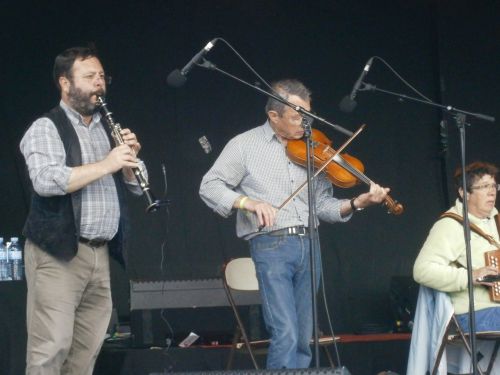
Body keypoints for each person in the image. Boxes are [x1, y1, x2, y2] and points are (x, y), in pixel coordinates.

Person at [199, 79, 388, 369]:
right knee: (285, 332)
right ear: (273, 116)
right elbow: (209, 186)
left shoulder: (314, 148)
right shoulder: (245, 145)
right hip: (271, 244)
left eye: (309, 115)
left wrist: (357, 203)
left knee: (303, 335)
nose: (306, 123)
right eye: (298, 117)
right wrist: (248, 203)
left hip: (309, 243)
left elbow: (323, 206)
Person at [20, 46, 146, 375]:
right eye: (89, 77)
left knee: (86, 351)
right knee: (52, 346)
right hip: (57, 252)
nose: (99, 83)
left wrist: (130, 161)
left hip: (99, 254)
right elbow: (46, 181)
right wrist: (107, 163)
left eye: (102, 76)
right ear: (65, 83)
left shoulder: (109, 128)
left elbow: (137, 184)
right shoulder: (46, 127)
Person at [413, 161, 500, 332]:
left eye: (493, 186)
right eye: (483, 186)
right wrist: (471, 276)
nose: (491, 192)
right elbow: (421, 270)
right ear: (464, 192)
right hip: (473, 313)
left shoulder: (496, 221)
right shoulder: (451, 225)